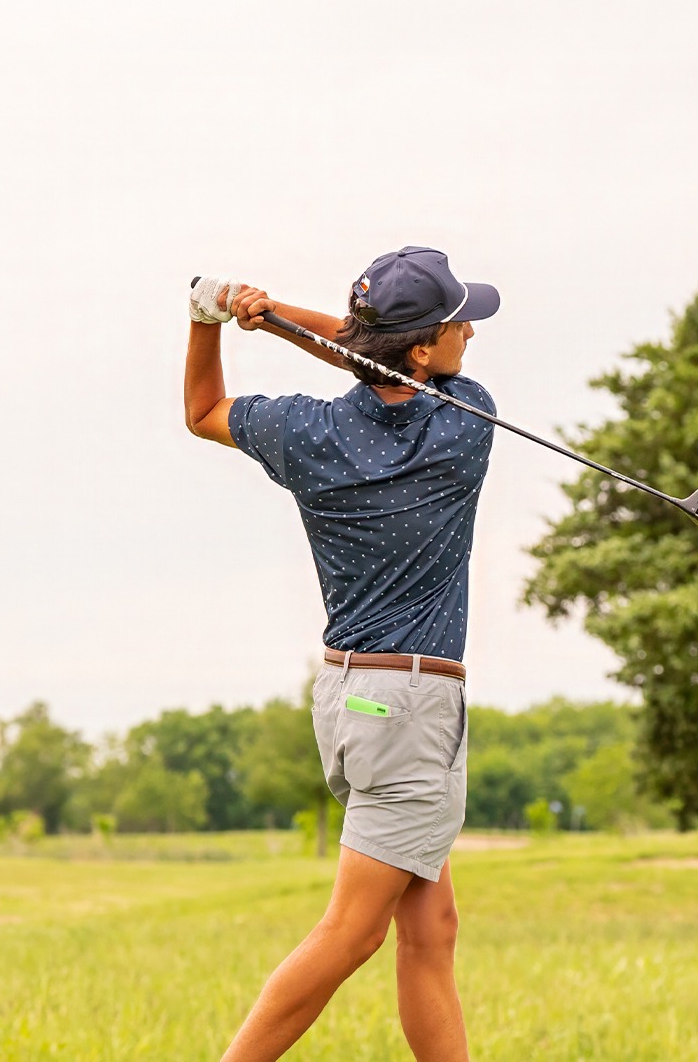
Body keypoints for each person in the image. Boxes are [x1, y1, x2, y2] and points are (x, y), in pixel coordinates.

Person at [186, 246, 501, 1062]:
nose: (470, 331)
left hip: (349, 699)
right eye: (456, 323)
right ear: (423, 352)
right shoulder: (465, 419)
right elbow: (362, 354)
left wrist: (209, 320)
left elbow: (204, 409)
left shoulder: (306, 431)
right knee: (352, 933)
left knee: (431, 927)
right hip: (412, 711)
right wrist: (279, 320)